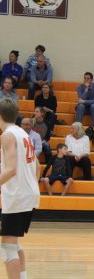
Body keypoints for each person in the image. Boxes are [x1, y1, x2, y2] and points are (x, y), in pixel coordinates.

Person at [0, 98, 40, 279]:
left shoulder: (7, 135)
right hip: (28, 194)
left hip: (17, 196)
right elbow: (37, 166)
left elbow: (11, 169)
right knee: (13, 244)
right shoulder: (24, 134)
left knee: (8, 247)